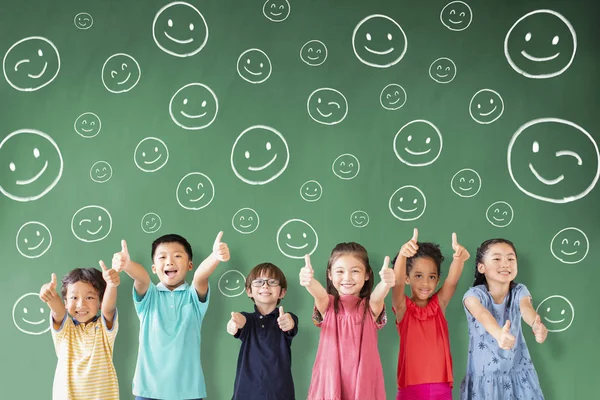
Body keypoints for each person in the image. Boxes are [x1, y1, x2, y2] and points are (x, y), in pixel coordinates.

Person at [116, 232, 230, 400]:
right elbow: (142, 278)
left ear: (190, 265)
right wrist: (127, 265)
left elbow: (201, 277)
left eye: (177, 256)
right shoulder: (149, 297)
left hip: (189, 392)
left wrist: (215, 256)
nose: (169, 261)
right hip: (148, 391)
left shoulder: (193, 297)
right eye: (162, 257)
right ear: (154, 268)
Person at [300, 242, 395, 400]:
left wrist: (385, 284)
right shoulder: (328, 305)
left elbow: (378, 297)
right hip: (331, 381)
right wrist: (309, 282)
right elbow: (319, 294)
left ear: (367, 275)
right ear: (330, 275)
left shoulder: (369, 307)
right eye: (340, 271)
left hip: (363, 380)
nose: (347, 278)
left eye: (355, 271)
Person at [460, 238, 547, 399]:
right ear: (481, 267)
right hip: (485, 378)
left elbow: (526, 307)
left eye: (511, 259)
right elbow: (482, 314)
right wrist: (499, 334)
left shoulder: (519, 291)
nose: (505, 263)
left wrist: (535, 324)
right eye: (497, 259)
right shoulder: (473, 295)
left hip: (519, 372)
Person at [392, 228, 470, 399]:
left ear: (438, 279)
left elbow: (452, 281)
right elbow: (396, 284)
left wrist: (459, 259)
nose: (426, 283)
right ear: (407, 278)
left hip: (441, 387)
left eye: (432, 277)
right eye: (418, 276)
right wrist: (403, 255)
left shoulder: (438, 305)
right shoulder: (402, 307)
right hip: (410, 388)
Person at [39, 261, 121, 400]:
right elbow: (57, 310)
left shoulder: (103, 329)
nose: (81, 304)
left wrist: (111, 285)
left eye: (89, 297)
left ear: (100, 301)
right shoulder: (66, 330)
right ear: (65, 302)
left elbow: (109, 308)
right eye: (74, 297)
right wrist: (48, 292)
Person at [228, 262, 298, 400]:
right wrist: (234, 323)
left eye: (272, 282)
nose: (265, 286)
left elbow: (290, 324)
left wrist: (288, 322)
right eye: (259, 282)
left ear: (282, 292)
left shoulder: (286, 317)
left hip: (280, 394)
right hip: (245, 394)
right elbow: (240, 320)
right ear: (249, 291)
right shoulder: (247, 319)